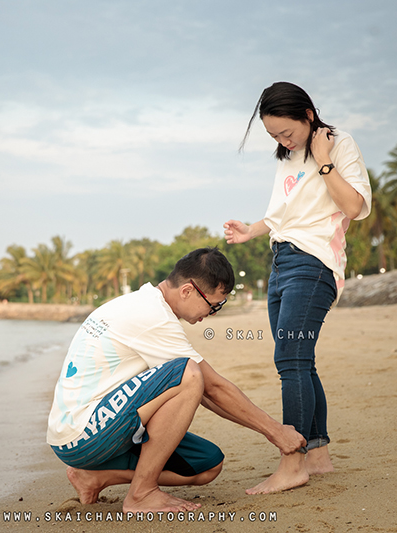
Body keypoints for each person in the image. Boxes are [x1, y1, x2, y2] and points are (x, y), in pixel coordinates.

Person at [47, 247, 306, 513]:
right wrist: (276, 432)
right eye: (214, 304)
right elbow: (211, 387)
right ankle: (141, 494)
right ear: (187, 291)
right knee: (188, 372)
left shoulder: (140, 302)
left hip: (83, 432)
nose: (213, 313)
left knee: (207, 465)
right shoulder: (153, 316)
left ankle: (94, 477)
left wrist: (271, 430)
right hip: (84, 435)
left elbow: (205, 392)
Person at [223, 82, 372, 494]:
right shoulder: (288, 157)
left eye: (286, 133)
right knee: (301, 361)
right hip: (282, 261)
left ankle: (293, 464)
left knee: (290, 359)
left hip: (314, 263)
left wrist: (324, 161)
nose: (282, 142)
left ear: (308, 114)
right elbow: (284, 213)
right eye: (273, 137)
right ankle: (318, 455)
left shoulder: (338, 144)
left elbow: (355, 207)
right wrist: (251, 230)